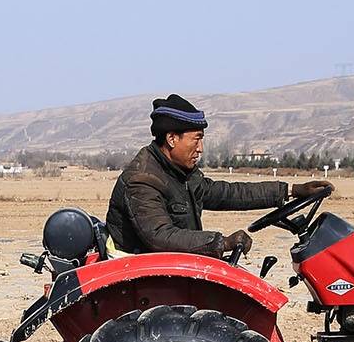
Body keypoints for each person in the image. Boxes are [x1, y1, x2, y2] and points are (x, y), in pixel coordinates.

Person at [104, 94, 335, 258]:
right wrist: (222, 242)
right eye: (196, 139)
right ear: (172, 139)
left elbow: (225, 193)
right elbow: (160, 236)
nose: (201, 148)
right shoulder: (143, 179)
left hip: (165, 262)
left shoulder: (179, 173)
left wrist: (290, 190)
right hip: (142, 269)